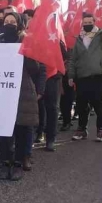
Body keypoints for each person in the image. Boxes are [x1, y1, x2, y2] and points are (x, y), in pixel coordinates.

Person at [0, 12, 44, 180]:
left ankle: (18, 163)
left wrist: (26, 49)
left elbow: (36, 69)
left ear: (19, 25)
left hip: (23, 90)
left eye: (13, 22)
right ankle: (4, 163)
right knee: (2, 131)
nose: (9, 24)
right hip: (1, 91)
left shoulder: (27, 41)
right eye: (6, 21)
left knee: (22, 129)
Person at [69, 5, 102, 142]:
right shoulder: (78, 39)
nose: (87, 25)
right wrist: (70, 75)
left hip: (98, 77)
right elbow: (73, 59)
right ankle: (81, 129)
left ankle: (101, 130)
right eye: (85, 23)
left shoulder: (101, 36)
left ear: (94, 22)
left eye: (90, 22)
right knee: (81, 106)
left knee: (99, 106)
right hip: (82, 78)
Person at [36, 21, 63, 152]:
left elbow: (65, 55)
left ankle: (50, 138)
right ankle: (39, 132)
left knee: (52, 108)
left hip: (53, 76)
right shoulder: (31, 35)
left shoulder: (56, 35)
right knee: (38, 108)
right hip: (36, 75)